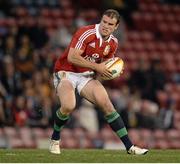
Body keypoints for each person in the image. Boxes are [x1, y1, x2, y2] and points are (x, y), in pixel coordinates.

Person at [49, 9, 148, 155]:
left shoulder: (113, 43)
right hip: (66, 72)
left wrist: (112, 72)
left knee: (107, 104)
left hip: (86, 75)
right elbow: (72, 57)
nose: (106, 26)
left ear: (116, 27)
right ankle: (55, 139)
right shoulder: (86, 33)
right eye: (104, 22)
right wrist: (97, 67)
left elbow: (105, 65)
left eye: (110, 24)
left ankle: (130, 147)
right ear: (101, 20)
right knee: (69, 105)